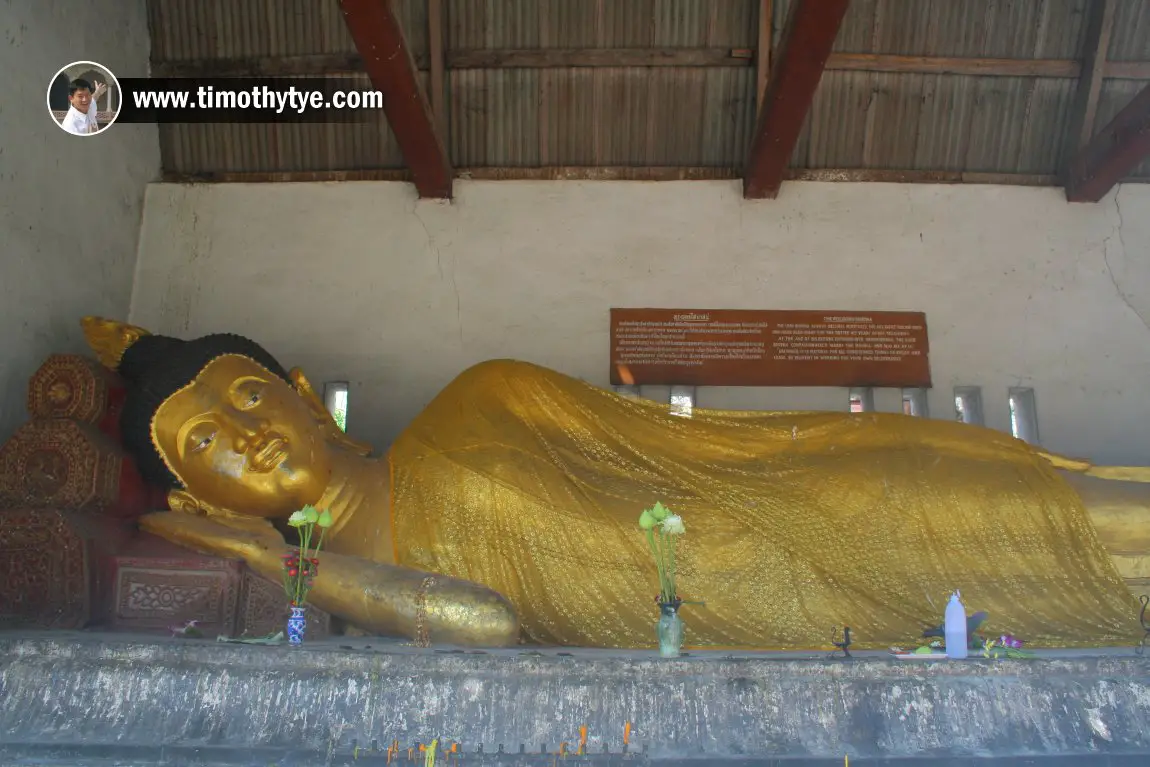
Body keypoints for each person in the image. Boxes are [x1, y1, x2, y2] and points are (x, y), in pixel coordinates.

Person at [81, 316, 1147, 650]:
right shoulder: (372, 577)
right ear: (209, 500)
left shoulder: (478, 392)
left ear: (304, 390)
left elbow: (694, 456)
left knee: (1078, 516)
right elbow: (486, 622)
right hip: (761, 611)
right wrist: (280, 561)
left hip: (826, 495)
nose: (249, 438)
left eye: (249, 400)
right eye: (211, 443)